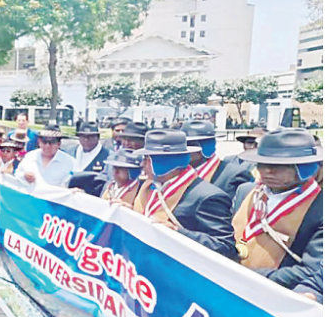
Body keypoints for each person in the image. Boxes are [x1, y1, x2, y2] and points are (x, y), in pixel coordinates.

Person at [231, 129, 323, 301]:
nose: (267, 172)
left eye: (278, 166)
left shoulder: (319, 208)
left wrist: (246, 275)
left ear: (304, 167)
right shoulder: (247, 191)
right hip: (232, 287)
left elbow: (312, 270)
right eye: (262, 164)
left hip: (276, 297)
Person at [132, 130, 237, 260]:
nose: (142, 164)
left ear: (165, 162)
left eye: (148, 159)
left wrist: (178, 233)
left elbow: (226, 248)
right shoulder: (150, 187)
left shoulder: (207, 197)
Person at [181, 120, 252, 199]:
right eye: (183, 144)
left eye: (191, 145)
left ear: (207, 146)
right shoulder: (179, 172)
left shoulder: (234, 175)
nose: (186, 149)